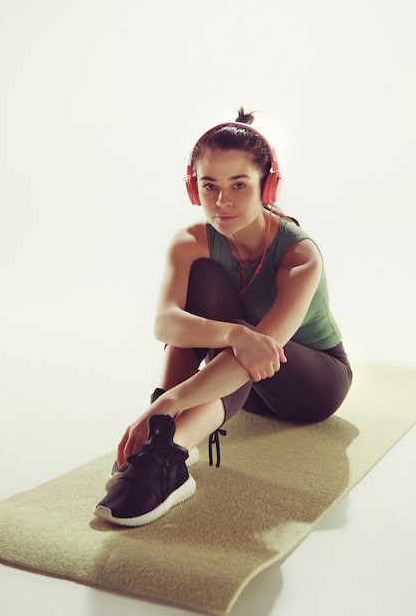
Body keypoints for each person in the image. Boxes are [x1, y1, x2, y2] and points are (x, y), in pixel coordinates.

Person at [94, 108, 353, 527]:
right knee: (211, 291)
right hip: (245, 380)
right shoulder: (191, 242)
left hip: (314, 382)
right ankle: (165, 434)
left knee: (251, 340)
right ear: (194, 189)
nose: (222, 201)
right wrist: (231, 334)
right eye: (209, 185)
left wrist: (167, 403)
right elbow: (166, 323)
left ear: (267, 186)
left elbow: (263, 348)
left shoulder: (300, 255)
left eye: (239, 184)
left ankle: (168, 452)